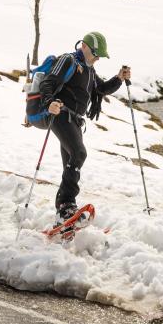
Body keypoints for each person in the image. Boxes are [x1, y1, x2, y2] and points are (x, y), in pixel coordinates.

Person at [39, 32, 131, 224]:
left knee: (71, 161)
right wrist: (49, 103)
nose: (98, 58)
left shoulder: (88, 69)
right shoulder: (68, 60)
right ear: (85, 47)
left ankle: (64, 214)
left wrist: (119, 78)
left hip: (75, 120)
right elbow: (48, 83)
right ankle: (65, 204)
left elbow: (100, 89)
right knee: (79, 153)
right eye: (96, 54)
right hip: (61, 114)